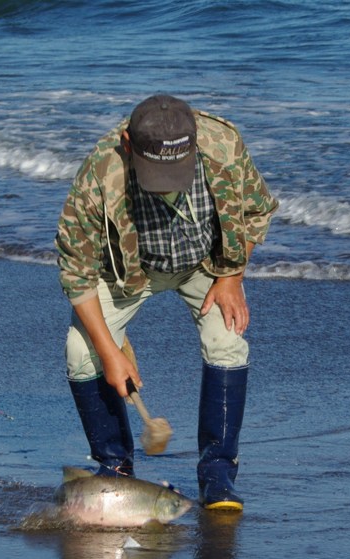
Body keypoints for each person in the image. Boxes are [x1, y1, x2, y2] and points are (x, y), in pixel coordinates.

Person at [56, 94, 278, 510]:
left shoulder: (222, 144)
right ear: (127, 143)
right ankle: (115, 470)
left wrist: (232, 275)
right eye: (155, 172)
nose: (168, 183)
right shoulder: (98, 173)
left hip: (205, 265)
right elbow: (76, 272)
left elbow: (258, 212)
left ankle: (217, 473)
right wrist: (110, 352)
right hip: (125, 274)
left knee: (228, 339)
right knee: (81, 354)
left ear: (195, 144)